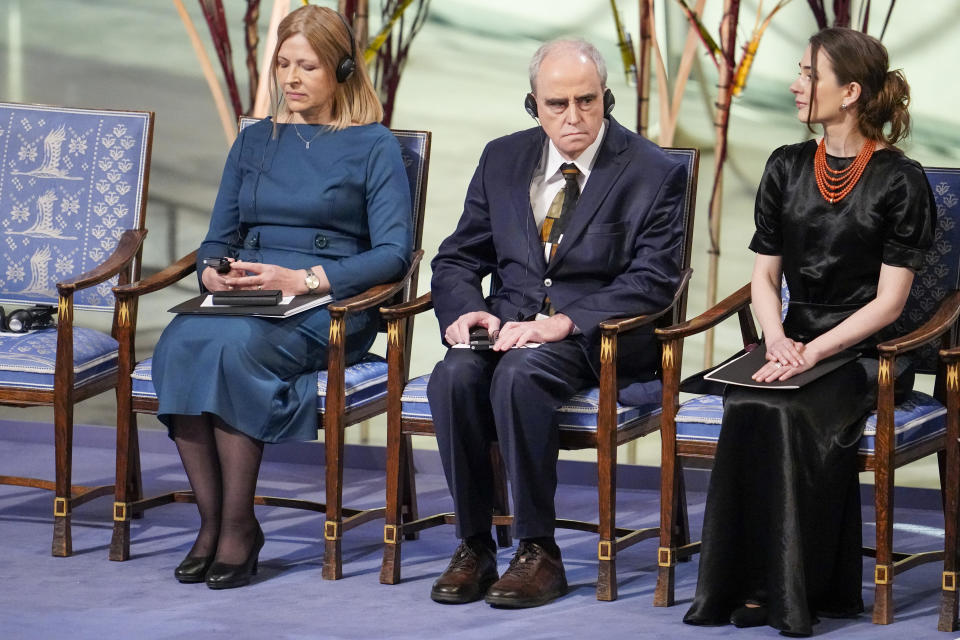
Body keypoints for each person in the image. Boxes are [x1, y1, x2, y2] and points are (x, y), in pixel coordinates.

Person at [682, 27, 935, 637]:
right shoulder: (785, 165)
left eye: (807, 74)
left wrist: (813, 352)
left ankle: (795, 591)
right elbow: (764, 279)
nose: (796, 85)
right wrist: (776, 341)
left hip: (864, 353)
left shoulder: (901, 180)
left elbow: (889, 302)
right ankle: (743, 585)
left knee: (793, 413)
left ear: (849, 92)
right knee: (747, 400)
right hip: (790, 341)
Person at [151, 5, 412, 590]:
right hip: (247, 294)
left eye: (308, 66)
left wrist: (305, 280)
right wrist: (213, 275)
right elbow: (218, 239)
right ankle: (211, 521)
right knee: (181, 342)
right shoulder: (254, 142)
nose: (291, 78)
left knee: (234, 347)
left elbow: (395, 254)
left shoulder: (373, 145)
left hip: (328, 303)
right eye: (284, 64)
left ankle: (239, 527)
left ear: (342, 70)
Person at [426, 38, 687, 608]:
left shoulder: (653, 171)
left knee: (520, 374)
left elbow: (654, 280)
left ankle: (537, 550)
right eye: (557, 105)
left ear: (606, 98)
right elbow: (457, 258)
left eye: (587, 102)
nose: (574, 117)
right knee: (452, 375)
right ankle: (474, 545)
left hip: (599, 341)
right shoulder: (502, 158)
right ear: (534, 106)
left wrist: (565, 322)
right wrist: (464, 308)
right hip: (508, 326)